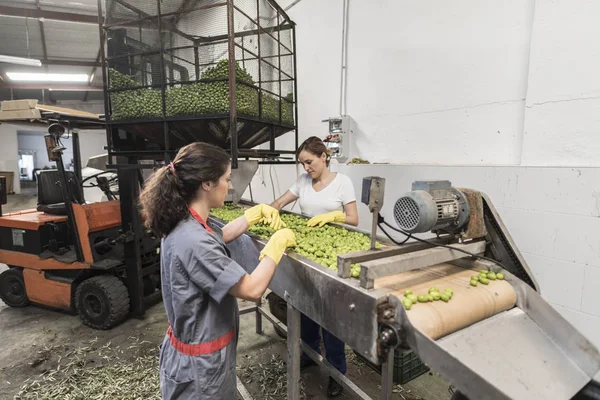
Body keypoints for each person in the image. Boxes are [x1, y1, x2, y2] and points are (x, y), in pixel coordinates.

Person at [139, 142, 296, 400]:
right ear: (207, 184)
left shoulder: (186, 220)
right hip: (201, 371)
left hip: (198, 355)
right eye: (227, 178)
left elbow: (217, 236)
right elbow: (252, 289)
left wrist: (252, 215)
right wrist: (276, 243)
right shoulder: (192, 239)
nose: (231, 185)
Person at [270, 136, 359, 397]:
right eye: (302, 164)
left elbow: (354, 218)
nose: (306, 168)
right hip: (304, 251)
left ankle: (336, 371)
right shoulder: (303, 182)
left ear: (323, 156)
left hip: (332, 251)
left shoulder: (343, 182)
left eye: (309, 162)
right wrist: (272, 210)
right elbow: (279, 201)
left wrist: (334, 215)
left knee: (330, 314)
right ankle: (309, 353)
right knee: (304, 304)